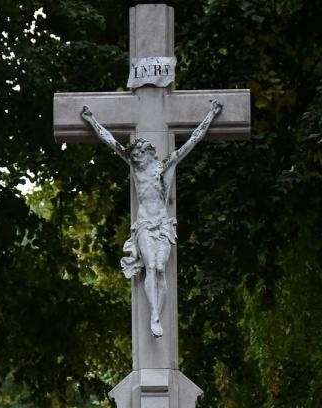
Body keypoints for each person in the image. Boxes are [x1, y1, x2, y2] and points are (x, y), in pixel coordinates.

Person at [81, 100, 223, 337]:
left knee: (159, 269)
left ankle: (158, 313)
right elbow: (110, 141)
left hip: (163, 224)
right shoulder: (135, 168)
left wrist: (211, 115)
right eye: (134, 155)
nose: (135, 157)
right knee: (150, 267)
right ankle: (155, 314)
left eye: (138, 154)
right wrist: (91, 120)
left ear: (147, 153)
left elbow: (193, 140)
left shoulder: (165, 166)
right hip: (145, 225)